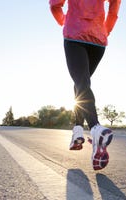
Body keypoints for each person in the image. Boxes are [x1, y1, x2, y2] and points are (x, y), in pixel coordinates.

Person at [49, 0, 121, 170]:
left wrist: (63, 21)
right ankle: (78, 131)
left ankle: (96, 129)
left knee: (81, 82)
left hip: (75, 34)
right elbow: (114, 8)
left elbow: (55, 4)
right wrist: (105, 30)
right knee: (82, 83)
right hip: (98, 39)